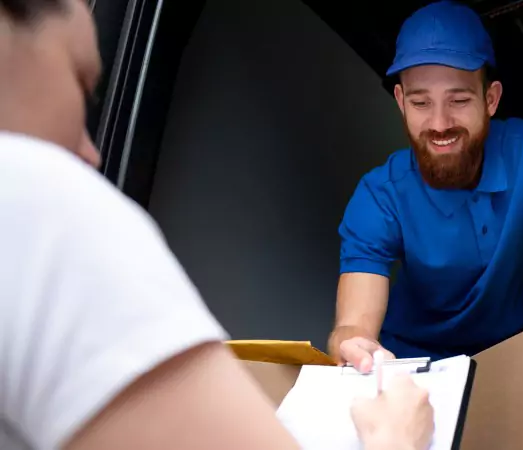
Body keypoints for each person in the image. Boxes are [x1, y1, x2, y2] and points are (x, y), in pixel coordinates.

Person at [0, 1, 434, 449]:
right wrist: (398, 438)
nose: (93, 156)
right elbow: (353, 329)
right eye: (83, 83)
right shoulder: (38, 206)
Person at [329, 0, 523, 371]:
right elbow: (353, 323)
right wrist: (352, 347)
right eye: (420, 102)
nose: (440, 122)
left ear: (490, 99)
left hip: (515, 348)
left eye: (459, 99)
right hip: (414, 361)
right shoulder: (378, 194)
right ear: (400, 102)